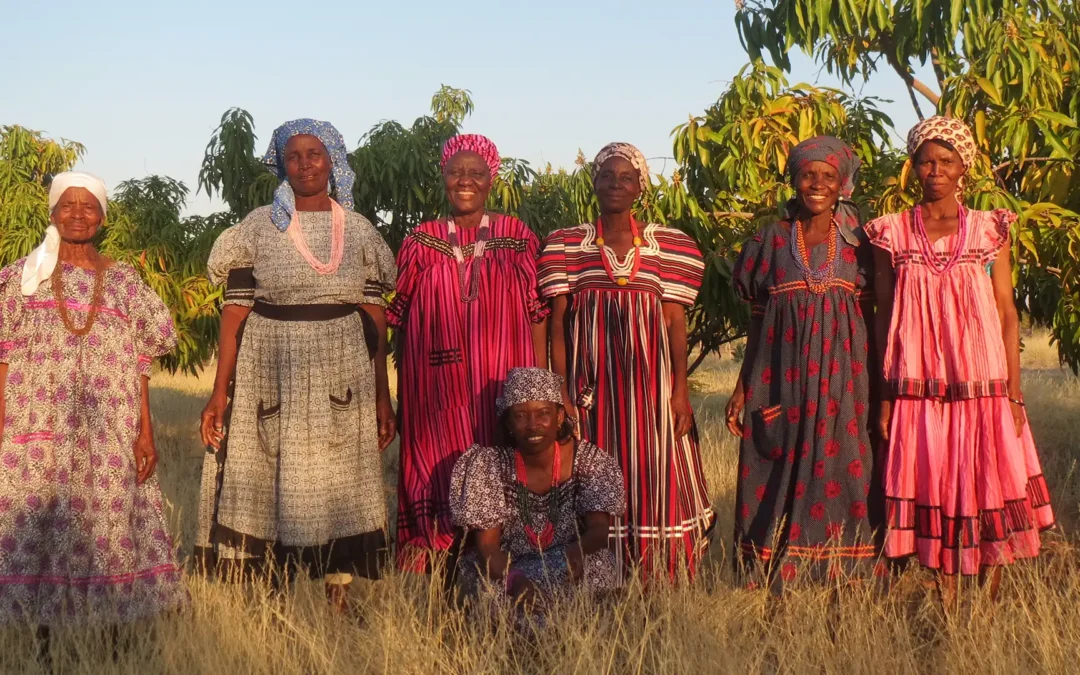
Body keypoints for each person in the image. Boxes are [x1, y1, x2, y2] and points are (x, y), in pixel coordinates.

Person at [195, 119, 397, 610]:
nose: (305, 164)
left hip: (342, 363)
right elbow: (235, 310)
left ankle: (338, 595)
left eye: (315, 154)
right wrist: (219, 392)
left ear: (334, 161)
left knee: (340, 475)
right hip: (271, 361)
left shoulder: (359, 230)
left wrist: (382, 396)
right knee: (269, 469)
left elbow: (375, 314)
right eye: (294, 156)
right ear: (281, 164)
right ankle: (273, 597)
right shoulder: (258, 225)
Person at [866, 116, 1055, 605]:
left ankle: (988, 593)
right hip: (918, 384)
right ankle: (942, 588)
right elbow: (885, 314)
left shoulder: (990, 229)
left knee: (984, 476)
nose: (935, 170)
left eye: (945, 160)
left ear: (962, 168)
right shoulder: (890, 234)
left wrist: (1014, 392)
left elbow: (1007, 312)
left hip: (980, 381)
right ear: (913, 167)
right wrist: (886, 395)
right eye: (925, 161)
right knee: (933, 478)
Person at [0, 172, 187, 626]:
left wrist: (146, 432)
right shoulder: (22, 278)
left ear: (102, 218)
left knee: (107, 520)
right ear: (52, 213)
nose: (78, 214)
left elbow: (143, 361)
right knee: (35, 517)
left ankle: (107, 623)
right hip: (35, 428)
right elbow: (3, 356)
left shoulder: (124, 282)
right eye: (68, 205)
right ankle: (35, 625)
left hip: (109, 429)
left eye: (89, 207)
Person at [539, 143, 713, 580]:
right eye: (607, 176)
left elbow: (675, 321)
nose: (616, 184)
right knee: (594, 468)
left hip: (649, 388)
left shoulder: (665, 246)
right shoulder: (568, 244)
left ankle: (656, 572)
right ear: (594, 183)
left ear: (639, 188)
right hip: (590, 387)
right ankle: (595, 573)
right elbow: (559, 324)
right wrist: (560, 388)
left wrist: (680, 390)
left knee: (652, 466)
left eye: (626, 178)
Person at [389, 134, 549, 572]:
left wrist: (538, 385)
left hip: (500, 384)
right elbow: (400, 321)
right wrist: (405, 392)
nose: (466, 181)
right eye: (457, 172)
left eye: (476, 173)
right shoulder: (420, 241)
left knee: (501, 463)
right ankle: (440, 571)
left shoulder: (517, 237)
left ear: (490, 180)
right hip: (435, 391)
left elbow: (538, 313)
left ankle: (502, 565)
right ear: (443, 176)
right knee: (434, 468)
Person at [725, 137, 879, 589]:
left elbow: (871, 319)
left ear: (842, 184)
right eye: (808, 174)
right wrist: (741, 386)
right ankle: (770, 572)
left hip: (843, 379)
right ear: (793, 180)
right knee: (774, 463)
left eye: (827, 176)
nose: (817, 184)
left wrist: (880, 387)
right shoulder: (769, 240)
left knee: (844, 467)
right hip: (779, 377)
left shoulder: (859, 244)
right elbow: (757, 320)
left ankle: (844, 572)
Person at [449, 367, 624, 605]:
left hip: (565, 560)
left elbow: (599, 530)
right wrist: (515, 580)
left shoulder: (587, 460)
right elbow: (488, 547)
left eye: (543, 413)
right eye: (520, 416)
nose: (533, 425)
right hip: (509, 568)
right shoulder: (490, 465)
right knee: (492, 594)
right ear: (508, 422)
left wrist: (577, 552)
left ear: (559, 417)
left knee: (601, 567)